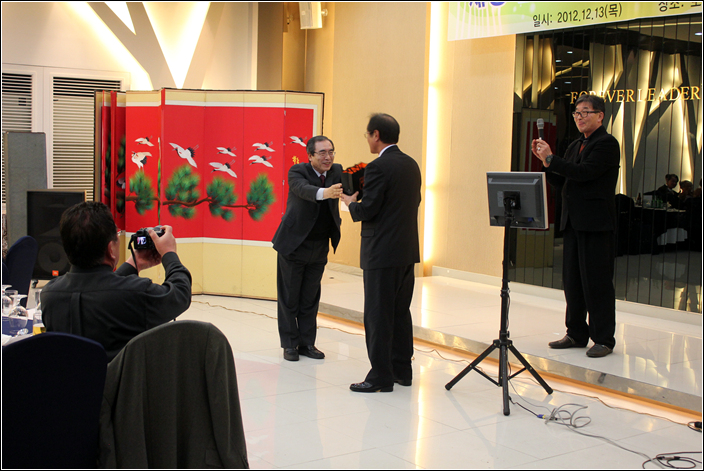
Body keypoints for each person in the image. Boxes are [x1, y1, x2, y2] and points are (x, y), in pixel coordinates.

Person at [41, 201, 192, 361]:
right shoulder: (136, 293)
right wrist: (169, 253)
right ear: (110, 249)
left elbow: (99, 288)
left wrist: (134, 263)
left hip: (74, 377)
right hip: (120, 378)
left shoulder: (49, 295)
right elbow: (180, 294)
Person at [532, 95, 620, 358]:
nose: (579, 117)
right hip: (572, 222)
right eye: (576, 113)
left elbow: (584, 174)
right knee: (572, 282)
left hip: (595, 224)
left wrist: (552, 159)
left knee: (597, 283)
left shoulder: (607, 143)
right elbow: (565, 182)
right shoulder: (575, 145)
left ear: (600, 115)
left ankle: (603, 339)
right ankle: (576, 333)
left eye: (585, 112)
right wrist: (547, 164)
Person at [340, 113, 422, 392]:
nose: (367, 140)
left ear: (376, 135)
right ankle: (402, 371)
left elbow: (369, 209)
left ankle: (380, 377)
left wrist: (351, 202)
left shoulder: (377, 167)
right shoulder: (411, 164)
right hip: (406, 250)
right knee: (400, 313)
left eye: (367, 135)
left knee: (377, 315)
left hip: (381, 252)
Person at [271, 136, 343, 361]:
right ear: (310, 155)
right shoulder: (297, 171)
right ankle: (289, 344)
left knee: (310, 298)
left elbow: (354, 185)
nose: (328, 157)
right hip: (294, 244)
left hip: (320, 245)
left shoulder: (337, 171)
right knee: (289, 298)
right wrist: (326, 193)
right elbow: (303, 190)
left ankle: (307, 343)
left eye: (331, 152)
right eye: (322, 153)